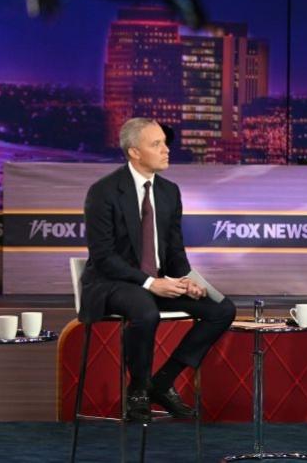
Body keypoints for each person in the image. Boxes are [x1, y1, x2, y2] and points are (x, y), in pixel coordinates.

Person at [80, 117, 236, 422]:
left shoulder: (169, 192)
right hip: (112, 282)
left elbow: (175, 252)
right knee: (145, 310)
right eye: (157, 144)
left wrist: (188, 280)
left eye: (165, 143)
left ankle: (162, 382)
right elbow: (104, 257)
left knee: (222, 309)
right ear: (134, 152)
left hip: (157, 282)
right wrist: (151, 283)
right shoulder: (104, 192)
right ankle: (137, 389)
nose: (167, 150)